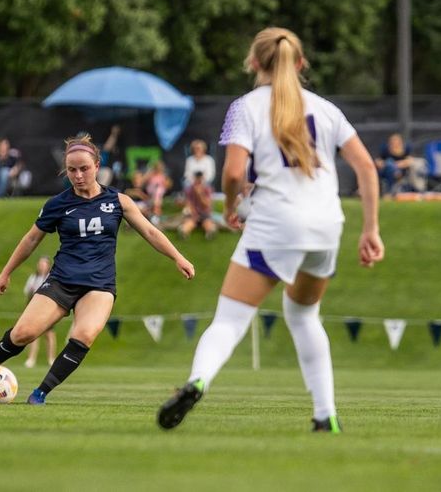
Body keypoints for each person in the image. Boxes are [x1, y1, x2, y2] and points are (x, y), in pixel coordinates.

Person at [156, 27, 384, 434]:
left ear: (253, 63)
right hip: (327, 226)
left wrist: (231, 207)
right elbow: (367, 167)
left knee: (230, 319)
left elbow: (231, 172)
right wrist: (371, 229)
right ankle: (324, 414)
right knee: (304, 316)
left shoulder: (246, 107)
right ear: (300, 64)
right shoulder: (326, 109)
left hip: (277, 222)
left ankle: (197, 381)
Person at [0, 133, 194, 405]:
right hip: (61, 280)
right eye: (72, 170)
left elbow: (151, 231)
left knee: (84, 335)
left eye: (84, 168)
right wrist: (6, 272)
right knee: (23, 333)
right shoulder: (58, 204)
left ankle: (40, 393)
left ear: (97, 165)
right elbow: (31, 239)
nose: (78, 175)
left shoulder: (118, 201)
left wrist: (178, 257)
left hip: (99, 284)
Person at [22, 256, 57, 368]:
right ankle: (31, 359)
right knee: (33, 334)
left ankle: (51, 358)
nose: (42, 266)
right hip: (34, 309)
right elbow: (28, 293)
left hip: (48, 309)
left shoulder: (51, 278)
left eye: (44, 264)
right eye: (40, 264)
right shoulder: (33, 278)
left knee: (49, 334)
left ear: (48, 266)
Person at [178, 171, 218, 240]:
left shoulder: (207, 189)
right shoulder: (189, 189)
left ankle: (210, 232)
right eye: (197, 178)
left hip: (204, 213)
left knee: (207, 223)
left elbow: (207, 205)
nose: (198, 181)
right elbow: (188, 203)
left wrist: (200, 194)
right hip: (193, 213)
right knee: (189, 223)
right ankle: (184, 232)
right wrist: (194, 213)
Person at [144, 160, 171, 225]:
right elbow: (144, 181)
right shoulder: (151, 175)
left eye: (160, 168)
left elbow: (167, 186)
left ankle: (156, 217)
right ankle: (157, 217)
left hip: (158, 195)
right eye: (157, 168)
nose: (158, 169)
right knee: (157, 197)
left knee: (158, 192)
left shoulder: (163, 176)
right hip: (151, 193)